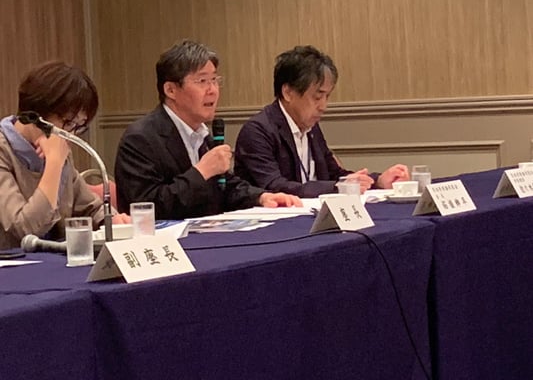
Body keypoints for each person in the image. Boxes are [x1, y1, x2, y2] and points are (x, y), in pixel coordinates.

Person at [114, 40, 301, 220]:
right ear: (170, 90)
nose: (212, 90)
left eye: (214, 80)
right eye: (202, 81)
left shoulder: (201, 134)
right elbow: (147, 208)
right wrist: (201, 172)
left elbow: (224, 187)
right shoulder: (140, 139)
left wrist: (262, 197)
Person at [234, 45, 410, 198]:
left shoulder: (310, 127)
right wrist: (338, 187)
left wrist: (377, 180)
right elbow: (275, 186)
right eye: (317, 97)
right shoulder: (258, 132)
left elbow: (335, 175)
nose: (323, 106)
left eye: (327, 97)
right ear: (288, 93)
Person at [0, 61, 130, 250]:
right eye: (68, 123)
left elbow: (90, 207)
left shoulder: (59, 147)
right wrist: (53, 164)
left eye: (79, 126)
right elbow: (25, 229)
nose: (71, 134)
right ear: (36, 114)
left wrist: (113, 221)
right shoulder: (6, 151)